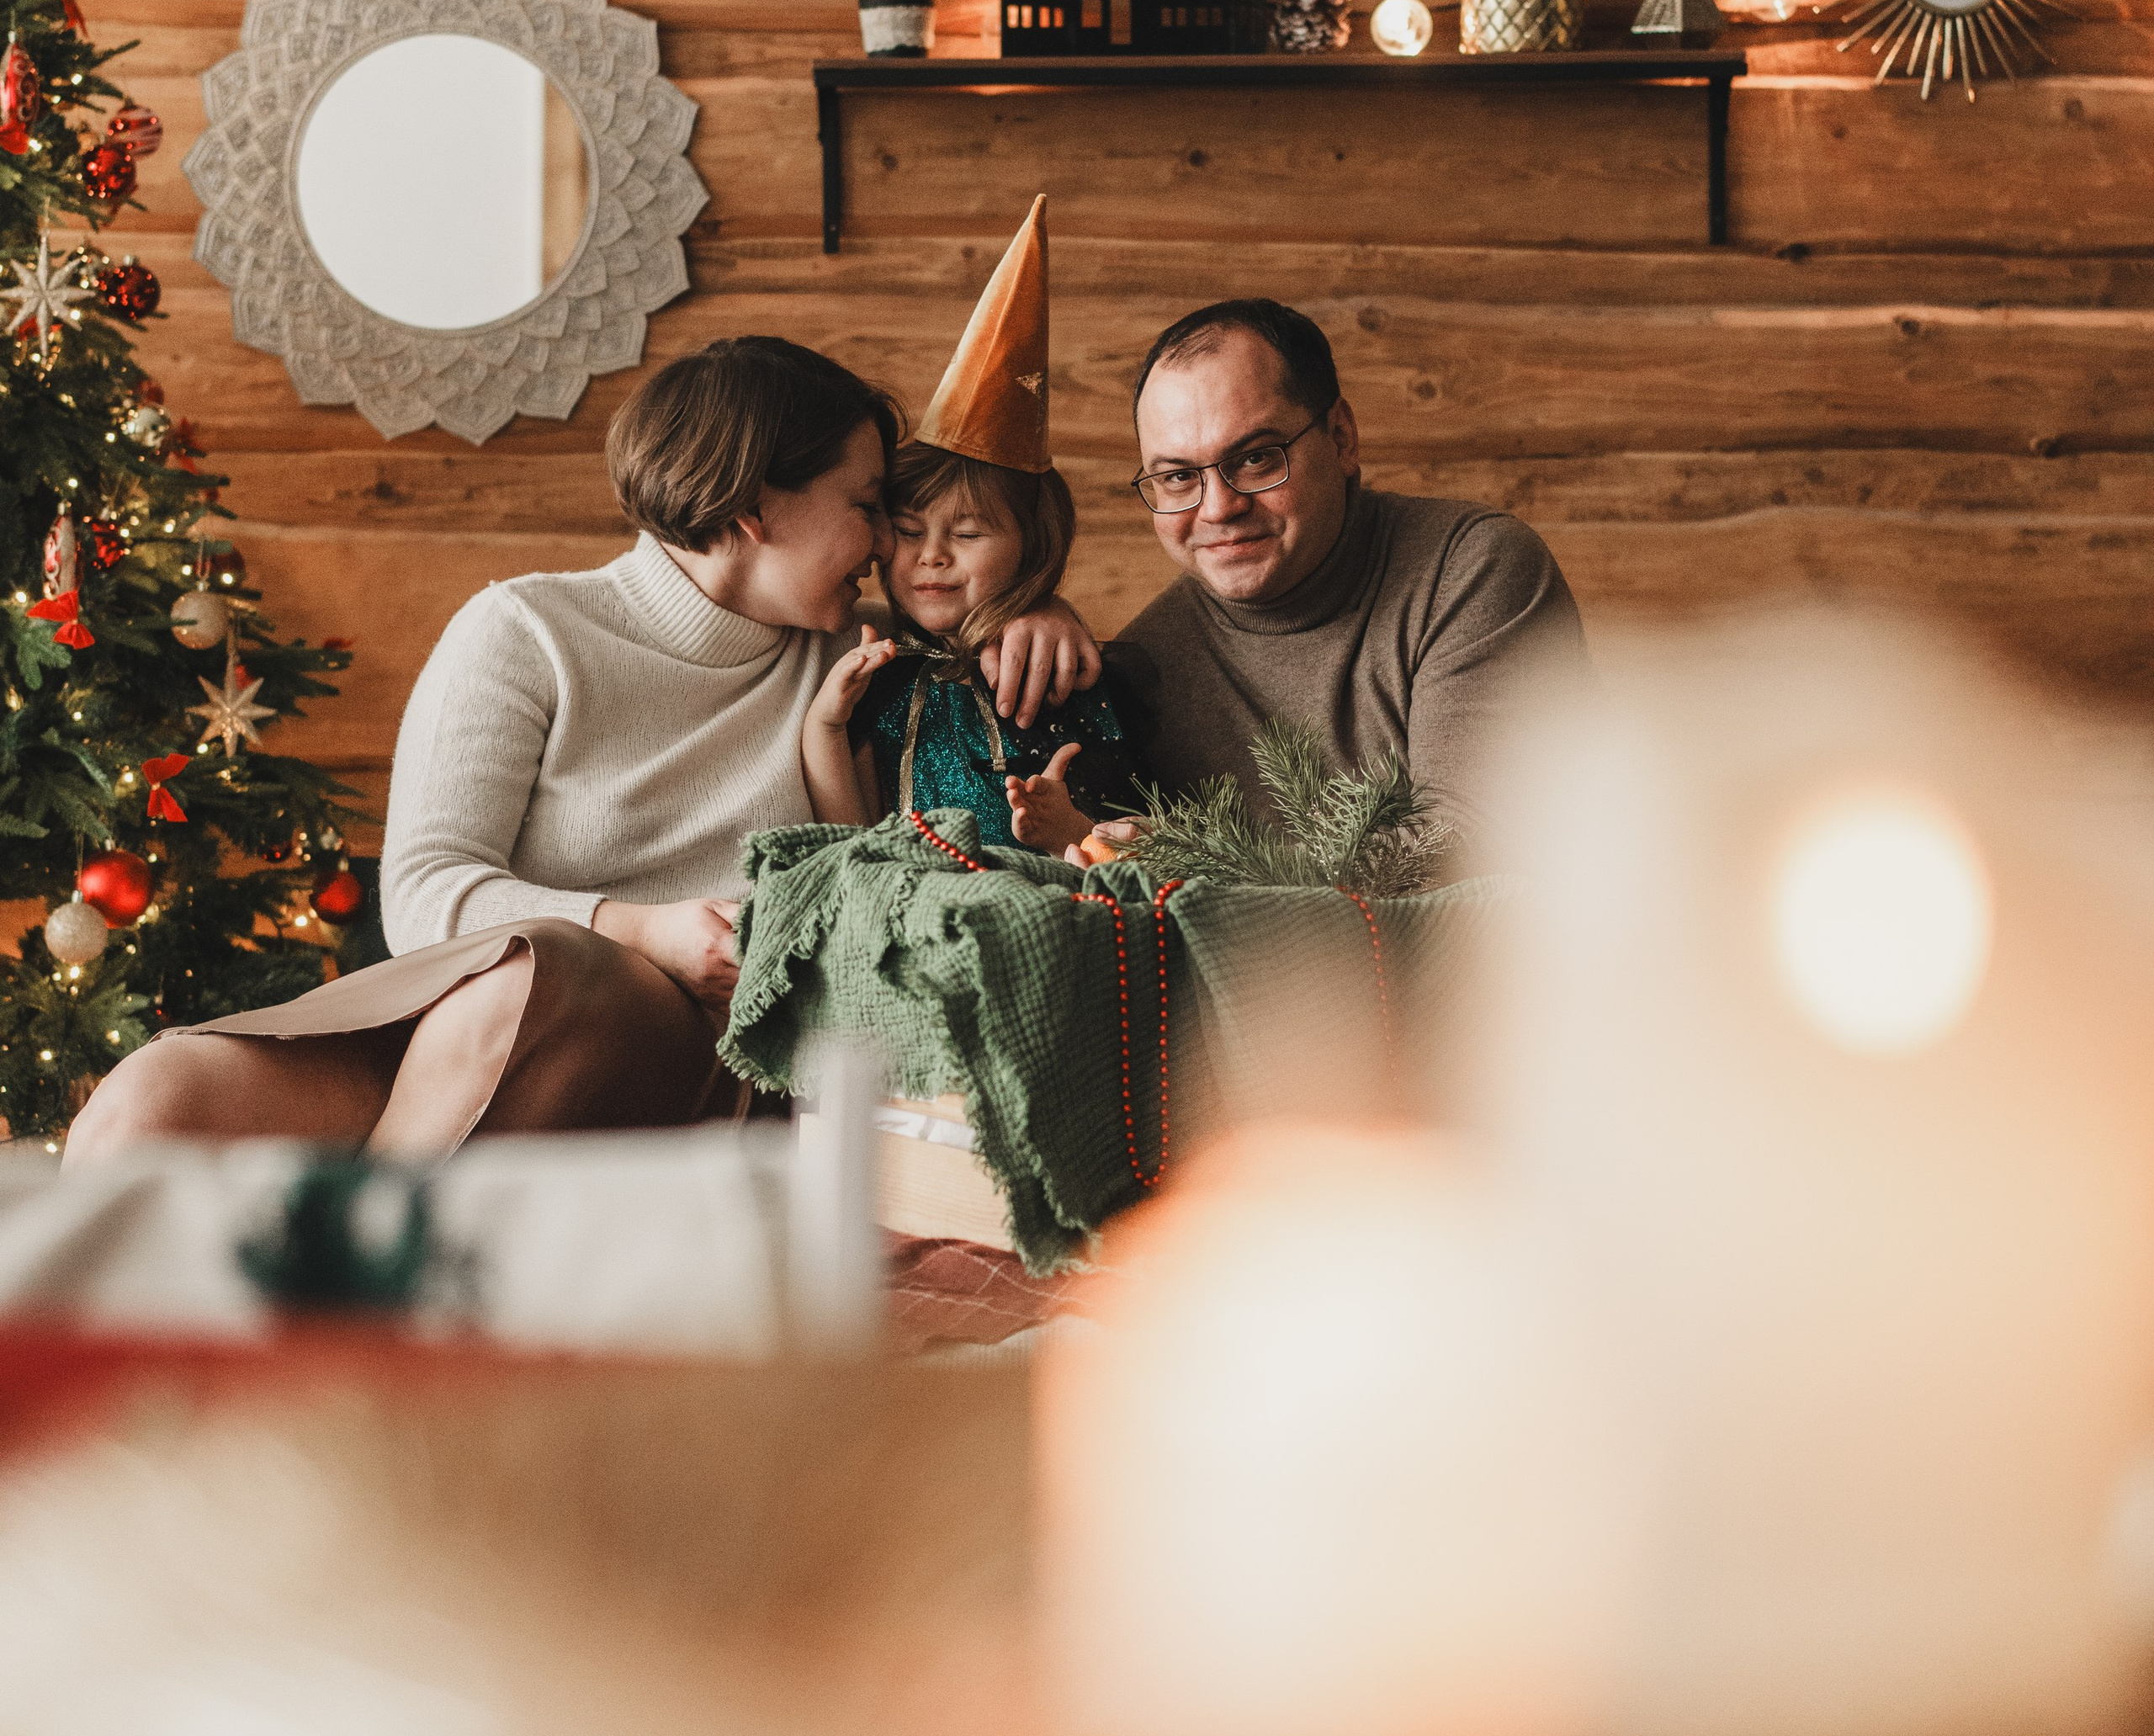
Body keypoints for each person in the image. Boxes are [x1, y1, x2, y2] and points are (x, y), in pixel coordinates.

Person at [65, 335, 1096, 1163]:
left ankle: (354, 1309)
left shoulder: (857, 657)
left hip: (686, 1042)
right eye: (867, 506)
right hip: (464, 1013)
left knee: (540, 977)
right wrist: (637, 929)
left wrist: (1033, 610)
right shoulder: (524, 632)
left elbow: (965, 639)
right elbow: (423, 894)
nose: (886, 543)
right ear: (752, 508)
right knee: (154, 1102)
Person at [1102, 296, 1584, 864]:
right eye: (1179, 476)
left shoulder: (1470, 571)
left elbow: (1464, 854)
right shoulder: (1136, 667)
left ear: (1341, 439)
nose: (1218, 509)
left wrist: (1188, 865)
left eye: (1257, 458)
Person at [803, 199, 1137, 852]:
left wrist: (1067, 828)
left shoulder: (1058, 679)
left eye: (967, 535)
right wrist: (825, 726)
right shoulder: (877, 675)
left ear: (1031, 547)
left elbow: (1129, 845)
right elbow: (849, 847)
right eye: (906, 528)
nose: (931, 556)